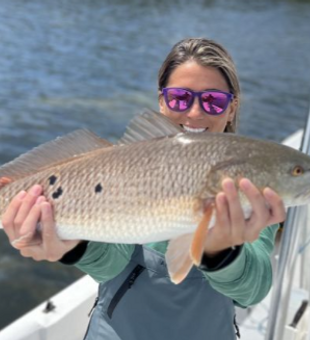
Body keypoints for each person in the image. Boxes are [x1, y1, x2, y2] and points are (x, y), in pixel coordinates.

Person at [2, 38, 286, 339]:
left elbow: (252, 290)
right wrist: (72, 244)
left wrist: (220, 252)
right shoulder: (125, 167)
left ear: (232, 108)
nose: (194, 113)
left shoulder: (256, 195)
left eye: (213, 100)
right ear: (161, 101)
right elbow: (110, 264)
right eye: (179, 98)